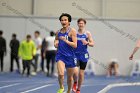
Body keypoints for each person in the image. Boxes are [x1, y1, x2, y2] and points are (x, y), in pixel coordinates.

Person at [54, 13, 77, 93]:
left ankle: (68, 91)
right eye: (62, 20)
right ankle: (61, 87)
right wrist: (55, 43)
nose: (63, 21)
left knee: (70, 77)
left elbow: (75, 45)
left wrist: (66, 41)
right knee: (60, 74)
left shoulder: (72, 31)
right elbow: (56, 39)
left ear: (69, 22)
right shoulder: (58, 32)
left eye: (65, 20)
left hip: (70, 57)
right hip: (60, 56)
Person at [72, 18, 94, 93]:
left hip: (84, 55)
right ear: (77, 24)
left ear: (84, 24)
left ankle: (78, 89)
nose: (81, 24)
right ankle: (75, 82)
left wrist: (87, 43)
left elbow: (92, 44)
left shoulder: (87, 33)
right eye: (79, 23)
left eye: (82, 23)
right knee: (75, 72)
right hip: (75, 54)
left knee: (81, 74)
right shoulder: (74, 33)